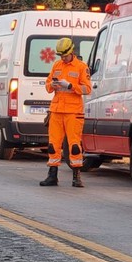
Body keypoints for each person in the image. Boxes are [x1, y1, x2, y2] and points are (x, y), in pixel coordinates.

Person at [39, 37, 91, 187]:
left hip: (73, 112)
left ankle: (76, 177)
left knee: (74, 145)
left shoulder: (81, 67)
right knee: (53, 145)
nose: (63, 58)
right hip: (56, 110)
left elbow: (87, 89)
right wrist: (52, 85)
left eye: (65, 55)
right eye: (61, 55)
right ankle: (52, 176)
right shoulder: (57, 65)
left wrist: (70, 86)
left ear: (71, 51)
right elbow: (48, 84)